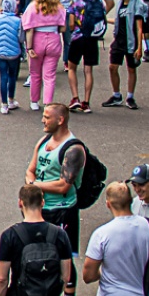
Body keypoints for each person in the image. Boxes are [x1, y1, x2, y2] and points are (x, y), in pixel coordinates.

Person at [29, 102, 87, 252]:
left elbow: (63, 186)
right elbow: (30, 171)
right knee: (37, 254)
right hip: (40, 209)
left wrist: (34, 186)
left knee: (62, 257)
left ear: (60, 120)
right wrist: (31, 188)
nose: (43, 120)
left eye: (47, 117)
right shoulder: (43, 141)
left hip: (62, 211)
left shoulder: (73, 149)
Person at [21, 0, 66, 110]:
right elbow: (63, 28)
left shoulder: (32, 7)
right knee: (50, 75)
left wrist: (29, 48)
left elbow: (29, 29)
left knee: (35, 73)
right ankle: (48, 103)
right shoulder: (58, 7)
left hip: (37, 39)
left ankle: (34, 101)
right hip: (53, 39)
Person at [105, 0, 146, 108]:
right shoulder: (120, 3)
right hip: (119, 40)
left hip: (131, 41)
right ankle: (116, 95)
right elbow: (118, 20)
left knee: (131, 69)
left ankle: (130, 96)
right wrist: (104, 19)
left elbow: (139, 28)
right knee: (112, 67)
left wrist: (139, 48)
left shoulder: (137, 5)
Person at [0, 0, 25, 114]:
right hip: (13, 52)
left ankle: (4, 104)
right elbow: (21, 39)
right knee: (12, 76)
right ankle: (11, 100)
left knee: (3, 76)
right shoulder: (18, 21)